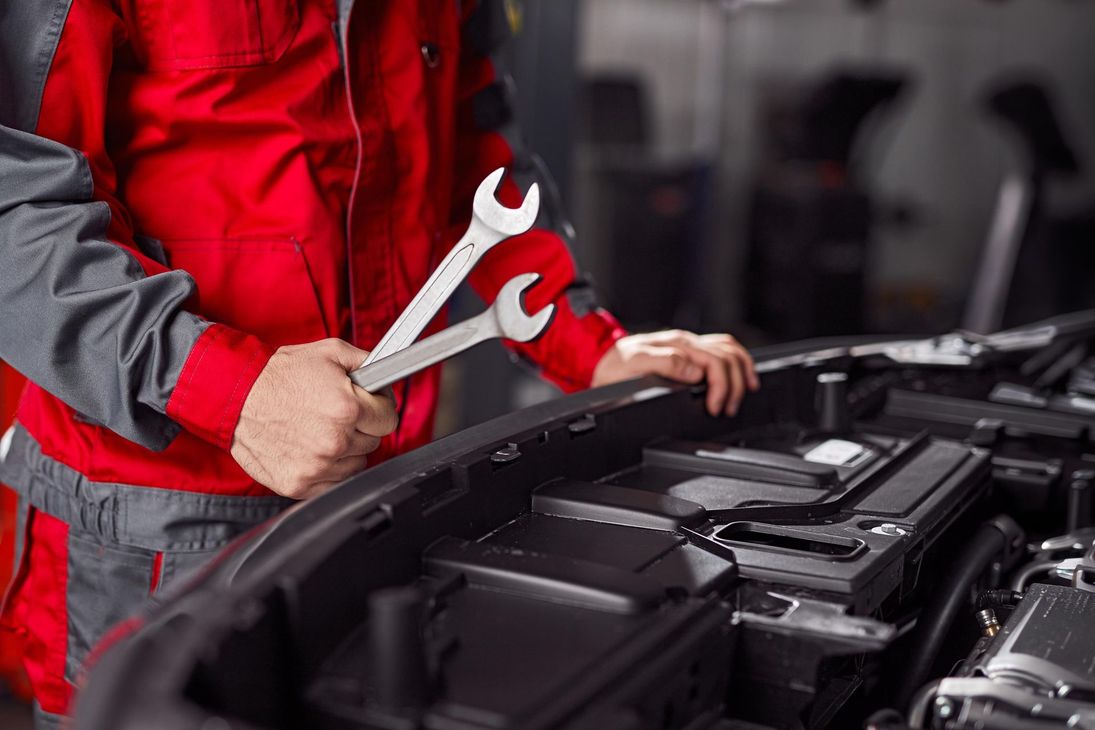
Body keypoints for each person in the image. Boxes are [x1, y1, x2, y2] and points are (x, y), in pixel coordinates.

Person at [0, 1, 758, 726]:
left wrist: (590, 345)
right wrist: (223, 388)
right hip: (155, 525)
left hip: (385, 493)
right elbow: (17, 209)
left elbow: (475, 156)